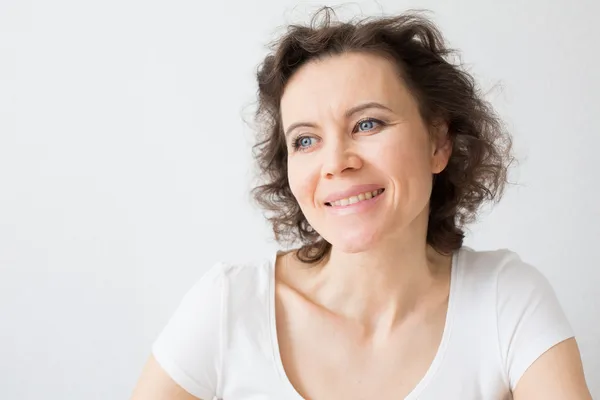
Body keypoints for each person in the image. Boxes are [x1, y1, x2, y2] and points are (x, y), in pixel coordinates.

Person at [131, 7, 592, 400]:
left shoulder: (505, 300)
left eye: (368, 124)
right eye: (306, 140)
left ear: (438, 142)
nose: (335, 163)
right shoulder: (228, 306)